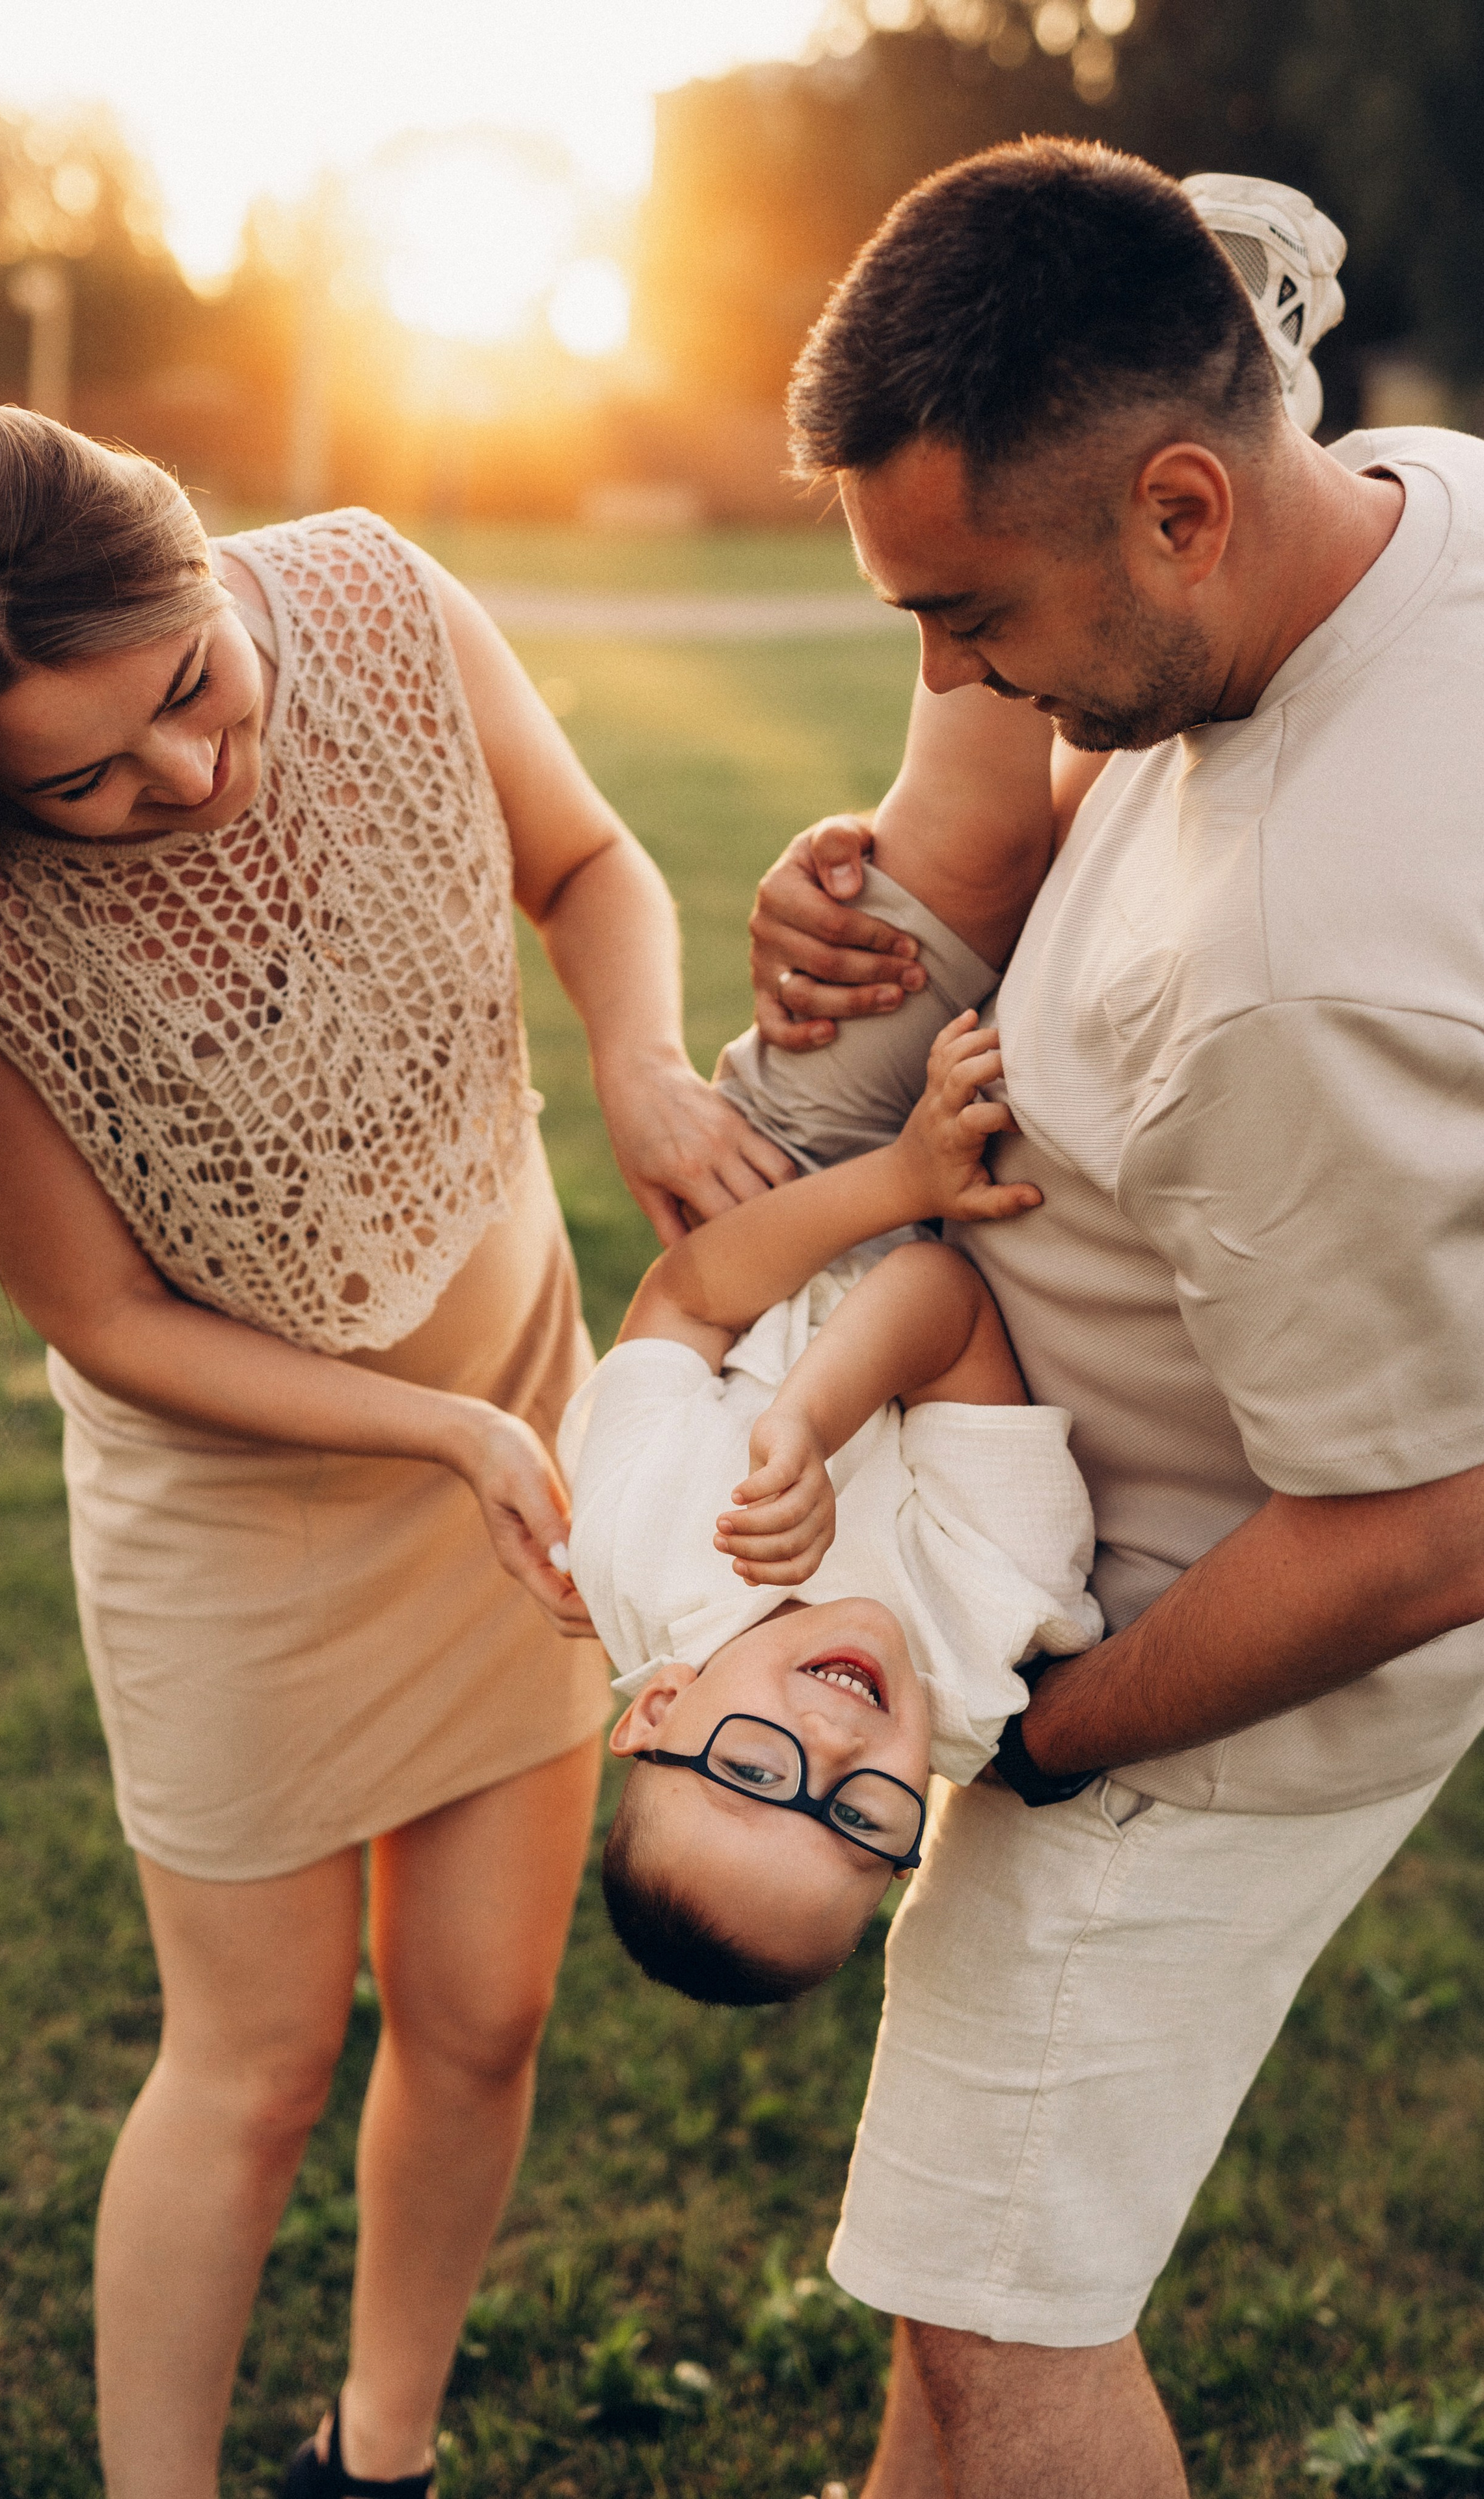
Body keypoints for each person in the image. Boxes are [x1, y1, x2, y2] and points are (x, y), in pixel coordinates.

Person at [0, 401, 793, 2499]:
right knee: (255, 2067)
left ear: (195, 555)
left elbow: (590, 861)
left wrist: (629, 1055)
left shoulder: (372, 594)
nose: (177, 774)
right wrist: (432, 1431)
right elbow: (106, 1320)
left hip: (508, 1390)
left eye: (186, 688)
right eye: (78, 776)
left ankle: (380, 2455)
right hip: (245, 1504)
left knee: (480, 2015)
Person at [743, 139, 1484, 2497]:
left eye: (970, 609)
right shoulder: (1404, 506)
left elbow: (1426, 1524)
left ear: (1181, 503)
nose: (951, 676)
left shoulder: (1306, 975)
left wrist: (1051, 1751)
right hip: (1103, 1550)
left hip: (1195, 1665)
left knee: (994, 2319)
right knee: (955, 2301)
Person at [558, 1015, 1098, 2004]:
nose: (839, 1751)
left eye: (757, 1770)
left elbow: (687, 1297)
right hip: (994, 1232)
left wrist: (897, 1179)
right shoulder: (980, 1646)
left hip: (796, 1179)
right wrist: (808, 1418)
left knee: (892, 912)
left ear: (663, 1707)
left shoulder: (630, 1553)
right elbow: (945, 1299)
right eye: (861, 1824)